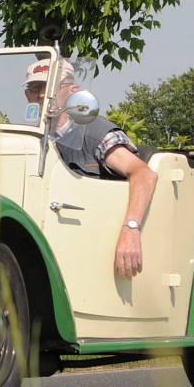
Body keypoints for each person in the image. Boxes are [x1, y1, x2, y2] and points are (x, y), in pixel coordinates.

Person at [24, 58, 156, 280]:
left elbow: (144, 174)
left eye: (50, 86)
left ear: (73, 90)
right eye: (34, 87)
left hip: (93, 246)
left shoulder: (95, 132)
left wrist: (131, 229)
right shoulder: (26, 138)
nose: (41, 94)